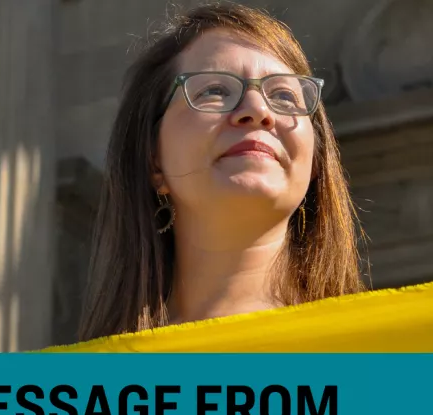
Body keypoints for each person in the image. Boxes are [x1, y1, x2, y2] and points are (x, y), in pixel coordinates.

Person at [78, 0, 366, 342]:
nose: (259, 111)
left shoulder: (384, 355)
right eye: (214, 90)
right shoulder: (85, 383)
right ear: (153, 159)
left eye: (285, 96)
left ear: (316, 160)